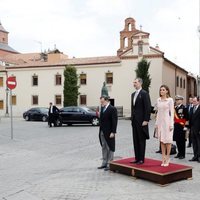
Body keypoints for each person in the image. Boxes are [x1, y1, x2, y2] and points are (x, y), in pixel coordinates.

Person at [130, 78, 151, 165]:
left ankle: (141, 159)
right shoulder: (133, 94)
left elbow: (148, 107)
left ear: (140, 83)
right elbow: (133, 108)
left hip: (142, 121)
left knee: (141, 140)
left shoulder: (144, 93)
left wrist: (146, 119)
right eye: (133, 82)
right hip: (134, 121)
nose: (134, 84)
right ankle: (137, 158)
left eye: (135, 82)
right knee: (135, 139)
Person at [155, 85, 174, 167]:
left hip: (167, 122)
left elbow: (172, 112)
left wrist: (171, 124)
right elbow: (158, 112)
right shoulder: (158, 100)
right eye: (160, 90)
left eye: (163, 90)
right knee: (162, 140)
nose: (161, 91)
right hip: (160, 122)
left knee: (168, 140)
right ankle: (163, 157)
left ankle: (167, 157)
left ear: (167, 91)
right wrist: (156, 123)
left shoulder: (170, 100)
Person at [98, 96, 118, 171]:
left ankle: (110, 164)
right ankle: (104, 163)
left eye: (102, 102)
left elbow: (114, 121)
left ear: (106, 100)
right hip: (102, 131)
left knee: (110, 147)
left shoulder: (112, 109)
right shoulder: (103, 108)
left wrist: (113, 132)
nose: (101, 103)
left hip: (109, 132)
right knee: (104, 146)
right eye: (101, 102)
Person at [173, 95, 188, 159]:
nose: (177, 101)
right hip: (176, 126)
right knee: (177, 140)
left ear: (181, 100)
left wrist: (186, 126)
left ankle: (182, 154)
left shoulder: (184, 108)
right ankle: (179, 153)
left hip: (182, 126)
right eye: (176, 100)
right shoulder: (175, 108)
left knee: (182, 141)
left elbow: (187, 118)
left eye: (178, 99)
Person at [189, 96, 200, 162]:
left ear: (198, 101)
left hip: (198, 129)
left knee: (199, 144)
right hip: (192, 129)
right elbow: (190, 119)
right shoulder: (191, 108)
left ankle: (199, 157)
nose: (193, 102)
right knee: (194, 144)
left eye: (195, 101)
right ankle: (195, 156)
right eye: (193, 101)